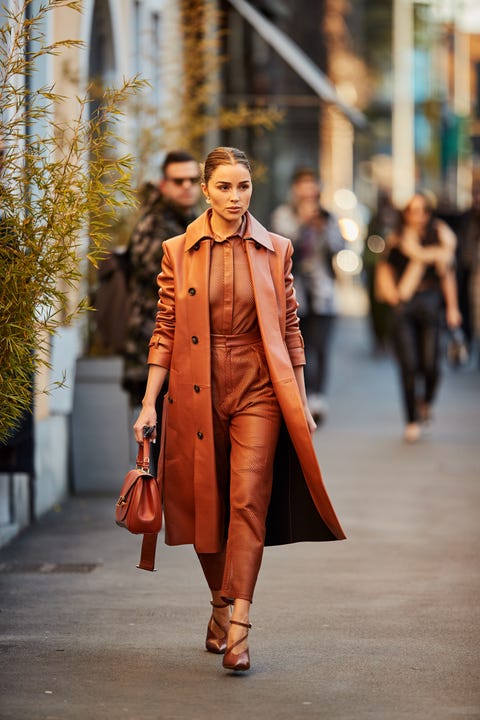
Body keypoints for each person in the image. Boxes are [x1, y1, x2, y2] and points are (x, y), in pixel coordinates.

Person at [133, 147, 346, 673]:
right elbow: (165, 329)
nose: (235, 197)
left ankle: (240, 627)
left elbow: (291, 329)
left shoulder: (277, 249)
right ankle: (219, 604)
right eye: (224, 187)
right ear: (206, 189)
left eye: (244, 187)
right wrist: (148, 403)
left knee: (248, 500)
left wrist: (298, 397)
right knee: (208, 507)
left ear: (253, 188)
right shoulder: (176, 250)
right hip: (195, 387)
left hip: (259, 389)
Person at [375, 191, 462, 443]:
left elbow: (448, 276)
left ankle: (426, 401)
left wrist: (453, 308)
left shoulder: (439, 240)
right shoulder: (397, 239)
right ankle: (411, 419)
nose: (418, 216)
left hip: (431, 303)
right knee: (409, 365)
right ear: (406, 214)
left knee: (432, 365)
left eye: (423, 210)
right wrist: (392, 295)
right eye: (413, 210)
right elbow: (384, 269)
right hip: (405, 305)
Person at [122, 150, 202, 408]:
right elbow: (168, 282)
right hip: (153, 348)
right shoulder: (154, 224)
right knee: (156, 439)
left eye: (192, 180)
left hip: (177, 350)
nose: (187, 187)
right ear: (163, 184)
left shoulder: (189, 220)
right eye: (179, 181)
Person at [271, 167, 344, 424]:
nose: (307, 191)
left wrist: (322, 226)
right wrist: (303, 224)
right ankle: (297, 398)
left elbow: (339, 246)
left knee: (320, 347)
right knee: (295, 347)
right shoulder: (283, 215)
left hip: (323, 293)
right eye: (302, 185)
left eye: (312, 184)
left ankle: (317, 397)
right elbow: (282, 248)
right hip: (293, 294)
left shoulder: (328, 216)